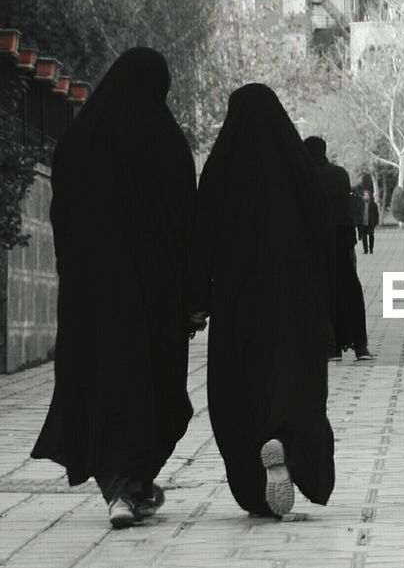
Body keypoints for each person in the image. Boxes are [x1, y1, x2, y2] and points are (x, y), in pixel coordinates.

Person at [31, 48, 196, 529]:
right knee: (152, 386)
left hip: (92, 295)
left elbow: (61, 216)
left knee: (104, 382)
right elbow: (187, 218)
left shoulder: (79, 140)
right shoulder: (165, 139)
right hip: (154, 295)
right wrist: (191, 297)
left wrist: (74, 272)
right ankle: (130, 484)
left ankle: (124, 487)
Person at [188, 86, 336, 518]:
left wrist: (195, 300)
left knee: (241, 387)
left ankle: (257, 468)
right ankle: (287, 443)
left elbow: (201, 238)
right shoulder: (299, 171)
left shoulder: (221, 171)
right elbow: (325, 238)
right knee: (296, 383)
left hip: (238, 300)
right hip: (297, 301)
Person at [305, 137, 373, 362]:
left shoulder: (306, 176)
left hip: (315, 243)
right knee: (349, 290)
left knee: (322, 293)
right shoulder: (339, 174)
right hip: (343, 240)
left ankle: (330, 346)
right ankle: (359, 345)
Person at [357, 188, 380, 255]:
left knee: (371, 236)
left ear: (370, 196)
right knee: (364, 237)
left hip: (371, 223)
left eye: (367, 195)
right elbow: (358, 213)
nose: (366, 197)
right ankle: (365, 249)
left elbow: (376, 214)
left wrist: (376, 222)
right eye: (365, 195)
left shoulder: (373, 204)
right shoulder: (361, 204)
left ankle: (371, 248)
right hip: (363, 223)